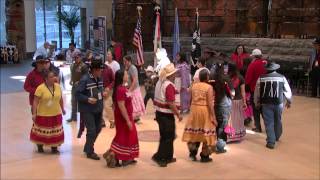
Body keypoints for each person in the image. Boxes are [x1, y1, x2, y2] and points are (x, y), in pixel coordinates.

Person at [254, 62, 292, 149]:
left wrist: (256, 102)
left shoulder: (261, 78)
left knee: (269, 122)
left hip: (266, 103)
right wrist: (289, 101)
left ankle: (271, 141)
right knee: (278, 119)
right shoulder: (282, 77)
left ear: (267, 69)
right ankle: (277, 136)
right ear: (275, 69)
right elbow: (287, 90)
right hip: (278, 103)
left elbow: (257, 92)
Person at [182, 69, 217, 162]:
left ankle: (192, 154)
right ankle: (205, 156)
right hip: (204, 111)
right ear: (207, 77)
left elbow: (190, 99)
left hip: (194, 110)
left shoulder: (194, 86)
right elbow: (210, 104)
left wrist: (190, 109)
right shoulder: (209, 87)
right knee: (206, 133)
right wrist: (213, 117)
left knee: (194, 132)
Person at [106, 69, 139, 167]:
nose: (127, 76)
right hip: (123, 118)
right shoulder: (120, 89)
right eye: (126, 74)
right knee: (123, 136)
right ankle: (115, 155)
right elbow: (121, 106)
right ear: (121, 77)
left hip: (126, 116)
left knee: (128, 136)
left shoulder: (122, 88)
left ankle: (125, 157)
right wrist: (128, 120)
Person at [152, 63, 183, 167]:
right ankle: (161, 157)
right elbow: (170, 103)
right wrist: (178, 114)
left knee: (166, 135)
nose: (176, 75)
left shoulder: (160, 82)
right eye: (174, 73)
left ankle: (167, 156)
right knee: (168, 136)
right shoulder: (169, 85)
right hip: (166, 115)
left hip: (159, 113)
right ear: (171, 75)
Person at [30, 69, 65, 153]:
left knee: (55, 132)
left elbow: (60, 99)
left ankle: (54, 148)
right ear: (46, 78)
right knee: (42, 131)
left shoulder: (58, 86)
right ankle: (40, 145)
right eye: (51, 77)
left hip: (56, 113)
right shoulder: (40, 88)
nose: (54, 78)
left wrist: (63, 109)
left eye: (54, 76)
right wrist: (34, 114)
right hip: (43, 114)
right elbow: (35, 102)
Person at [76, 59, 105, 160]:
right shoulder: (85, 80)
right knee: (92, 130)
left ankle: (87, 146)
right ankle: (90, 151)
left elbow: (99, 91)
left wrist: (103, 93)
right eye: (100, 70)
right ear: (94, 70)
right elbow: (77, 94)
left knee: (98, 129)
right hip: (88, 109)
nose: (101, 72)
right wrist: (87, 99)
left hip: (98, 108)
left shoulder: (100, 79)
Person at [212, 62, 234, 153]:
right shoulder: (226, 79)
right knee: (223, 125)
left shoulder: (212, 79)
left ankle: (216, 142)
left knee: (217, 124)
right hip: (225, 104)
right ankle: (220, 146)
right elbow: (232, 93)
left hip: (216, 104)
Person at [245, 49, 267, 133]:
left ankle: (258, 127)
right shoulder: (265, 63)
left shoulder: (253, 65)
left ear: (254, 56)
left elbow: (248, 79)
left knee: (256, 109)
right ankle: (268, 127)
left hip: (255, 90)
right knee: (265, 109)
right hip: (265, 89)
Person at [227, 62, 247, 142]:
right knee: (238, 118)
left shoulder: (226, 78)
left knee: (229, 119)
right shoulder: (241, 78)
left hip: (229, 100)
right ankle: (237, 135)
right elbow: (243, 92)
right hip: (238, 101)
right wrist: (244, 102)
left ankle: (229, 135)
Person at [123, 55, 145, 123]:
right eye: (123, 61)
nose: (124, 63)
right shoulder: (127, 68)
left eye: (125, 61)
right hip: (130, 88)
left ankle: (136, 118)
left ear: (129, 61)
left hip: (134, 89)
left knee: (135, 104)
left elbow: (135, 80)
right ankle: (134, 118)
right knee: (132, 104)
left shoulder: (133, 68)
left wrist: (130, 90)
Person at [68, 51, 88, 123]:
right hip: (74, 87)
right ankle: (73, 117)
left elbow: (86, 77)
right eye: (74, 58)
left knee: (82, 103)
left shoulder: (84, 66)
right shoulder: (73, 65)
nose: (76, 59)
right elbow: (72, 74)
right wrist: (71, 80)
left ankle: (84, 119)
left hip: (81, 88)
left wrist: (79, 82)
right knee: (73, 102)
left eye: (77, 57)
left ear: (80, 57)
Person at [102, 62, 115, 128]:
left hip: (108, 89)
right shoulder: (93, 70)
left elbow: (113, 80)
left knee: (107, 106)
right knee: (98, 106)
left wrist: (109, 88)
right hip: (99, 90)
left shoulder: (108, 69)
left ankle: (112, 121)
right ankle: (101, 121)